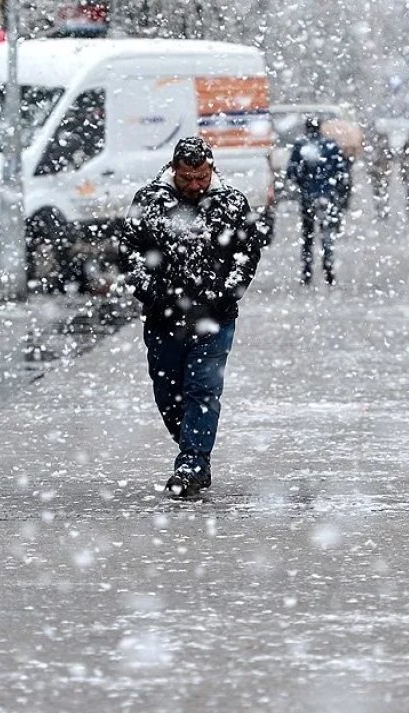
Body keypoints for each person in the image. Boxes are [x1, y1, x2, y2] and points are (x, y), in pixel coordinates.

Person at [121, 136, 270, 499]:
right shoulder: (149, 201)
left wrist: (227, 293)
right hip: (164, 317)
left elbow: (246, 254)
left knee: (203, 390)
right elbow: (129, 253)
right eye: (187, 178)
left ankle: (192, 463)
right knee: (168, 392)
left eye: (200, 177)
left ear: (211, 169)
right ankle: (190, 444)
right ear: (174, 171)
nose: (194, 185)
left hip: (213, 318)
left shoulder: (232, 203)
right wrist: (150, 293)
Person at [286, 117, 352, 285]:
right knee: (327, 234)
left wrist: (303, 185)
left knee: (308, 235)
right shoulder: (330, 146)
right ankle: (328, 269)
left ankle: (307, 271)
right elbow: (342, 171)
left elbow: (292, 172)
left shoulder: (301, 146)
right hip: (327, 196)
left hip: (307, 197)